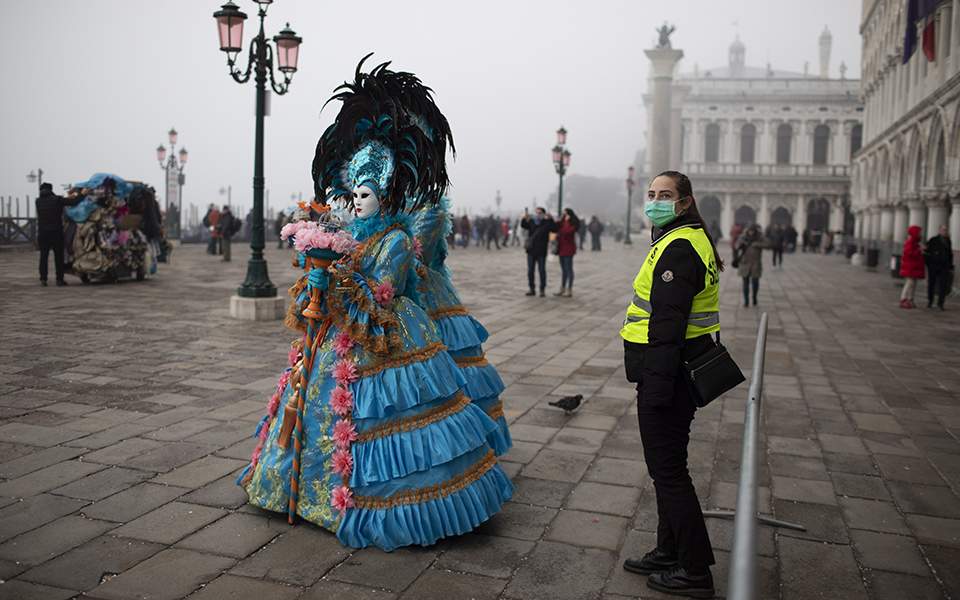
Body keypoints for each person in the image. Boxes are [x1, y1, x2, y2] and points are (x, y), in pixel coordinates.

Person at [239, 56, 511, 551]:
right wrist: (320, 272)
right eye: (354, 193)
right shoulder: (350, 234)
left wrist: (340, 280)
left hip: (385, 333)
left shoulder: (397, 239)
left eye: (367, 193)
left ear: (384, 195)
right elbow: (344, 278)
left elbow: (385, 291)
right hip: (340, 334)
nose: (358, 201)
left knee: (386, 417)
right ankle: (299, 490)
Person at [620, 170, 721, 598]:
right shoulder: (685, 238)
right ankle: (669, 550)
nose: (655, 200)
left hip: (669, 375)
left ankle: (695, 570)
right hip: (677, 369)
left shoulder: (679, 248)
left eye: (665, 195)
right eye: (651, 194)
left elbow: (667, 325)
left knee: (670, 474)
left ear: (684, 203)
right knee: (667, 470)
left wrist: (657, 390)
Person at [35, 182, 80, 286]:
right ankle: (59, 279)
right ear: (51, 190)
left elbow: (51, 200)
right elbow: (74, 202)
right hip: (56, 233)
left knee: (43, 257)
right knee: (58, 257)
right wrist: (82, 194)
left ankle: (43, 279)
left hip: (43, 234)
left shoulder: (38, 201)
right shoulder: (57, 200)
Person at [521, 207, 556, 296]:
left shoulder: (546, 223)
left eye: (540, 213)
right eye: (536, 213)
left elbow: (554, 229)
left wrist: (551, 219)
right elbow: (524, 225)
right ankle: (532, 288)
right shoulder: (532, 221)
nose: (538, 214)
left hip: (541, 250)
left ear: (544, 214)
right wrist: (524, 218)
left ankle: (542, 289)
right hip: (531, 250)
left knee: (542, 270)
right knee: (530, 271)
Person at [735, 224, 769, 307]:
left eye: (752, 231)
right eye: (750, 231)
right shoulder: (743, 237)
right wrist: (740, 245)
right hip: (744, 263)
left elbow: (768, 245)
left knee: (755, 282)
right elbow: (736, 246)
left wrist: (757, 244)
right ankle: (746, 301)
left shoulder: (760, 237)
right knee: (745, 283)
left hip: (755, 263)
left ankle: (754, 298)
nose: (751, 233)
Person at [924, 224, 954, 310]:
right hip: (933, 266)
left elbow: (950, 254)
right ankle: (930, 301)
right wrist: (929, 264)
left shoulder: (948, 241)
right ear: (939, 230)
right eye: (943, 230)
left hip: (944, 267)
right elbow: (926, 253)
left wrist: (950, 266)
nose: (945, 231)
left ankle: (940, 303)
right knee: (931, 284)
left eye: (946, 230)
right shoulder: (933, 240)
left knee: (943, 285)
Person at [555, 208, 580, 297]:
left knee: (569, 269)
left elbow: (567, 231)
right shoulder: (561, 222)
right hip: (561, 248)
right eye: (563, 214)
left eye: (566, 214)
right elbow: (555, 228)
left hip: (569, 249)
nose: (564, 216)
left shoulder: (573, 223)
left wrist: (565, 223)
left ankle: (569, 289)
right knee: (563, 270)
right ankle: (562, 288)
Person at [899, 225, 925, 309]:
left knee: (913, 283)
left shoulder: (915, 242)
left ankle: (910, 299)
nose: (921, 234)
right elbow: (909, 253)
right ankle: (903, 299)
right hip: (910, 266)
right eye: (919, 233)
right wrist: (919, 250)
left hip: (914, 266)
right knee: (909, 283)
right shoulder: (910, 242)